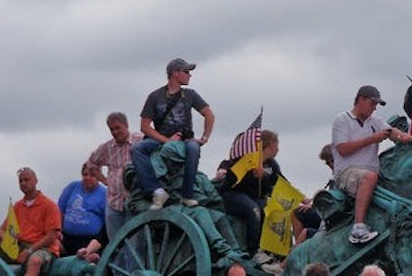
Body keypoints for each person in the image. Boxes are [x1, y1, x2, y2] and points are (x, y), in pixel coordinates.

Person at [131, 58, 215, 210]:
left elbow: (209, 115)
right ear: (175, 73)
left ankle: (187, 194)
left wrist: (204, 138)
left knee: (193, 148)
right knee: (137, 149)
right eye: (187, 72)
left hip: (184, 139)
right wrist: (166, 141)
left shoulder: (190, 95)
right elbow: (144, 126)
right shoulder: (155, 96)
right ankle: (156, 190)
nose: (190, 75)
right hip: (161, 139)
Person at [332, 85, 412, 243]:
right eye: (372, 103)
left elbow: (390, 131)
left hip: (371, 172)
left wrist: (401, 136)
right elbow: (342, 149)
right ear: (361, 100)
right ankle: (358, 228)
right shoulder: (342, 120)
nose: (374, 108)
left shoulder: (374, 121)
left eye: (376, 105)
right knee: (369, 177)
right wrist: (372, 139)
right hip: (347, 172)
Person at [215, 130, 283, 255]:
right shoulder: (237, 161)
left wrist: (303, 199)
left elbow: (282, 183)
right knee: (253, 210)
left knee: (273, 210)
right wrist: (251, 174)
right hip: (233, 195)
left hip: (255, 197)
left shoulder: (271, 165)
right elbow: (228, 180)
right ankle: (254, 251)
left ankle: (273, 251)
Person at [87, 111, 145, 241]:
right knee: (116, 245)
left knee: (135, 246)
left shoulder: (140, 140)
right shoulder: (107, 148)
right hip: (114, 203)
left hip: (135, 201)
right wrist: (105, 181)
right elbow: (91, 164)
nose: (115, 132)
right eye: (111, 129)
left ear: (126, 125)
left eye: (118, 128)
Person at [57, 163, 108, 259]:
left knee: (93, 258)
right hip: (66, 238)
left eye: (92, 175)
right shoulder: (72, 187)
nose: (88, 177)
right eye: (85, 174)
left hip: (90, 241)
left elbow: (107, 223)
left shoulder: (105, 194)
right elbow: (60, 210)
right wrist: (58, 230)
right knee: (52, 245)